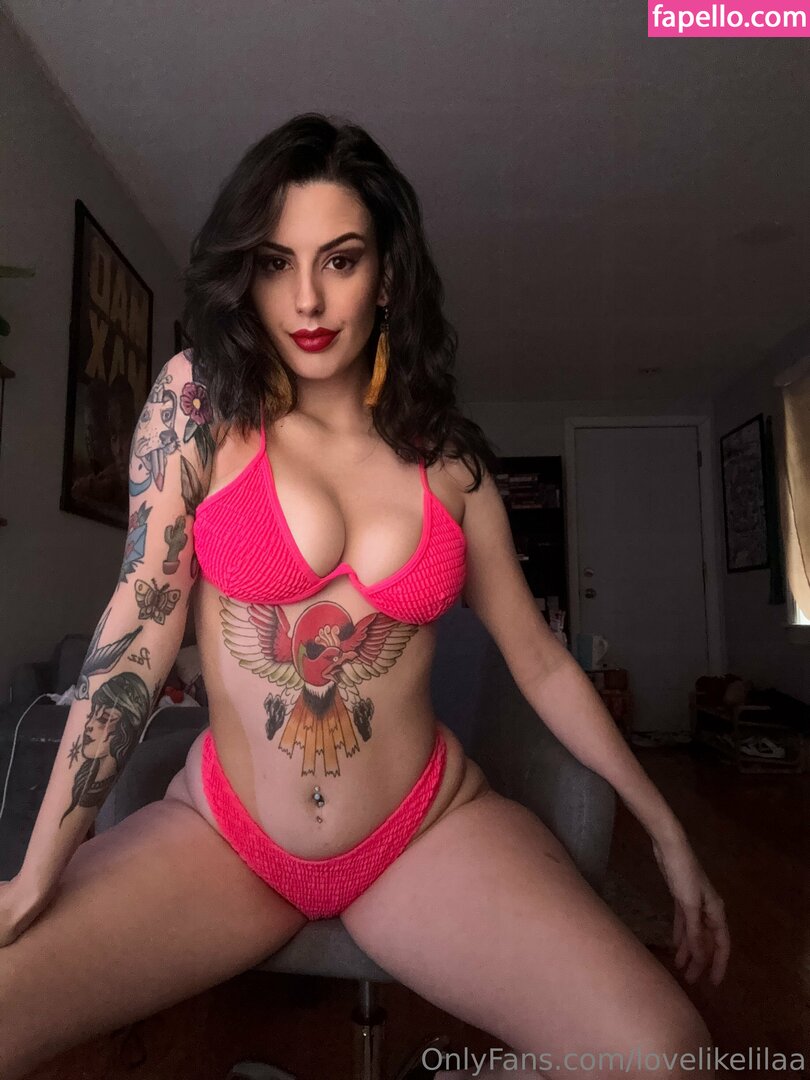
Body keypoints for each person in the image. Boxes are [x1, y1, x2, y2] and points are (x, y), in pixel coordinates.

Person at [0, 113, 729, 1080]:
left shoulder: (453, 461)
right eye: (275, 263)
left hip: (422, 831)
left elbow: (543, 661)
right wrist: (38, 868)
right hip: (226, 838)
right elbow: (138, 633)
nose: (306, 299)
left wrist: (667, 829)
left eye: (340, 261)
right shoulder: (200, 405)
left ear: (387, 276)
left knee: (670, 1058)